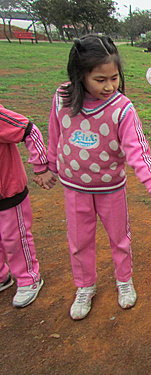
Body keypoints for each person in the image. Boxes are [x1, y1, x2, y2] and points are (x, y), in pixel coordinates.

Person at [47, 35, 151, 320]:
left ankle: (124, 281)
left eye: (114, 78)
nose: (110, 86)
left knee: (119, 239)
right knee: (79, 241)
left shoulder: (122, 108)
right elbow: (55, 135)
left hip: (110, 189)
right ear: (80, 76)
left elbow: (138, 152)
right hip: (74, 188)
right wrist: (47, 166)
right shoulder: (62, 98)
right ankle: (84, 286)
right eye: (100, 79)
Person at [0, 105, 56, 308]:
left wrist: (41, 167)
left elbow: (29, 130)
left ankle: (28, 279)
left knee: (14, 239)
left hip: (8, 193)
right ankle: (2, 277)